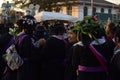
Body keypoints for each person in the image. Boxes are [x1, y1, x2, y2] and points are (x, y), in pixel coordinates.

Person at [71, 16, 115, 80]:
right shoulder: (109, 44)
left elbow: (74, 64)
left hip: (84, 76)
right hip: (102, 76)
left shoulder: (78, 46)